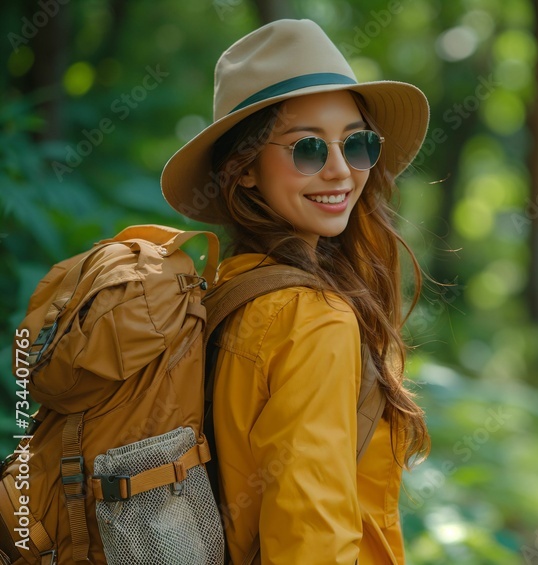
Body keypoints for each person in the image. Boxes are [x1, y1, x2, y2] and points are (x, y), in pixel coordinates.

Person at [160, 18, 431, 564]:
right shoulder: (315, 320)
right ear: (244, 170)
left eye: (356, 143)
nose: (338, 170)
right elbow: (312, 542)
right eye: (307, 148)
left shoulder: (222, 292)